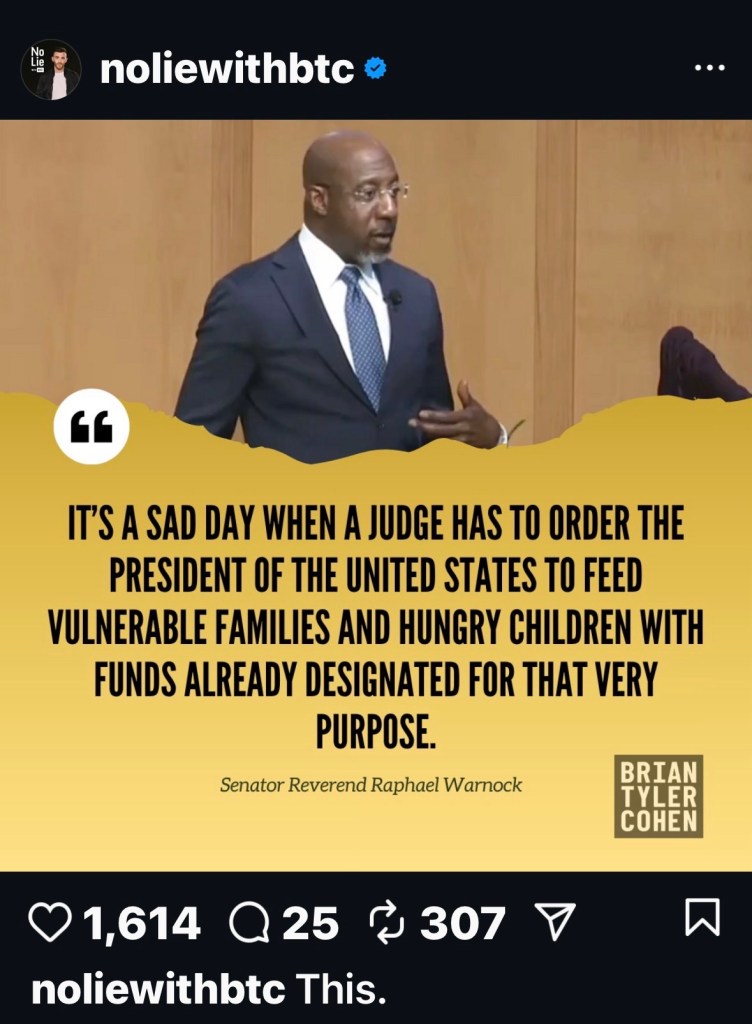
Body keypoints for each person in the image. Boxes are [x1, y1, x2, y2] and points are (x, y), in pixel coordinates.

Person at [174, 130, 504, 463]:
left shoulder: (417, 296)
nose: (389, 209)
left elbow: (436, 437)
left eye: (394, 191)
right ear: (320, 200)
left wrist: (492, 440)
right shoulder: (249, 299)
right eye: (368, 193)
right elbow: (192, 451)